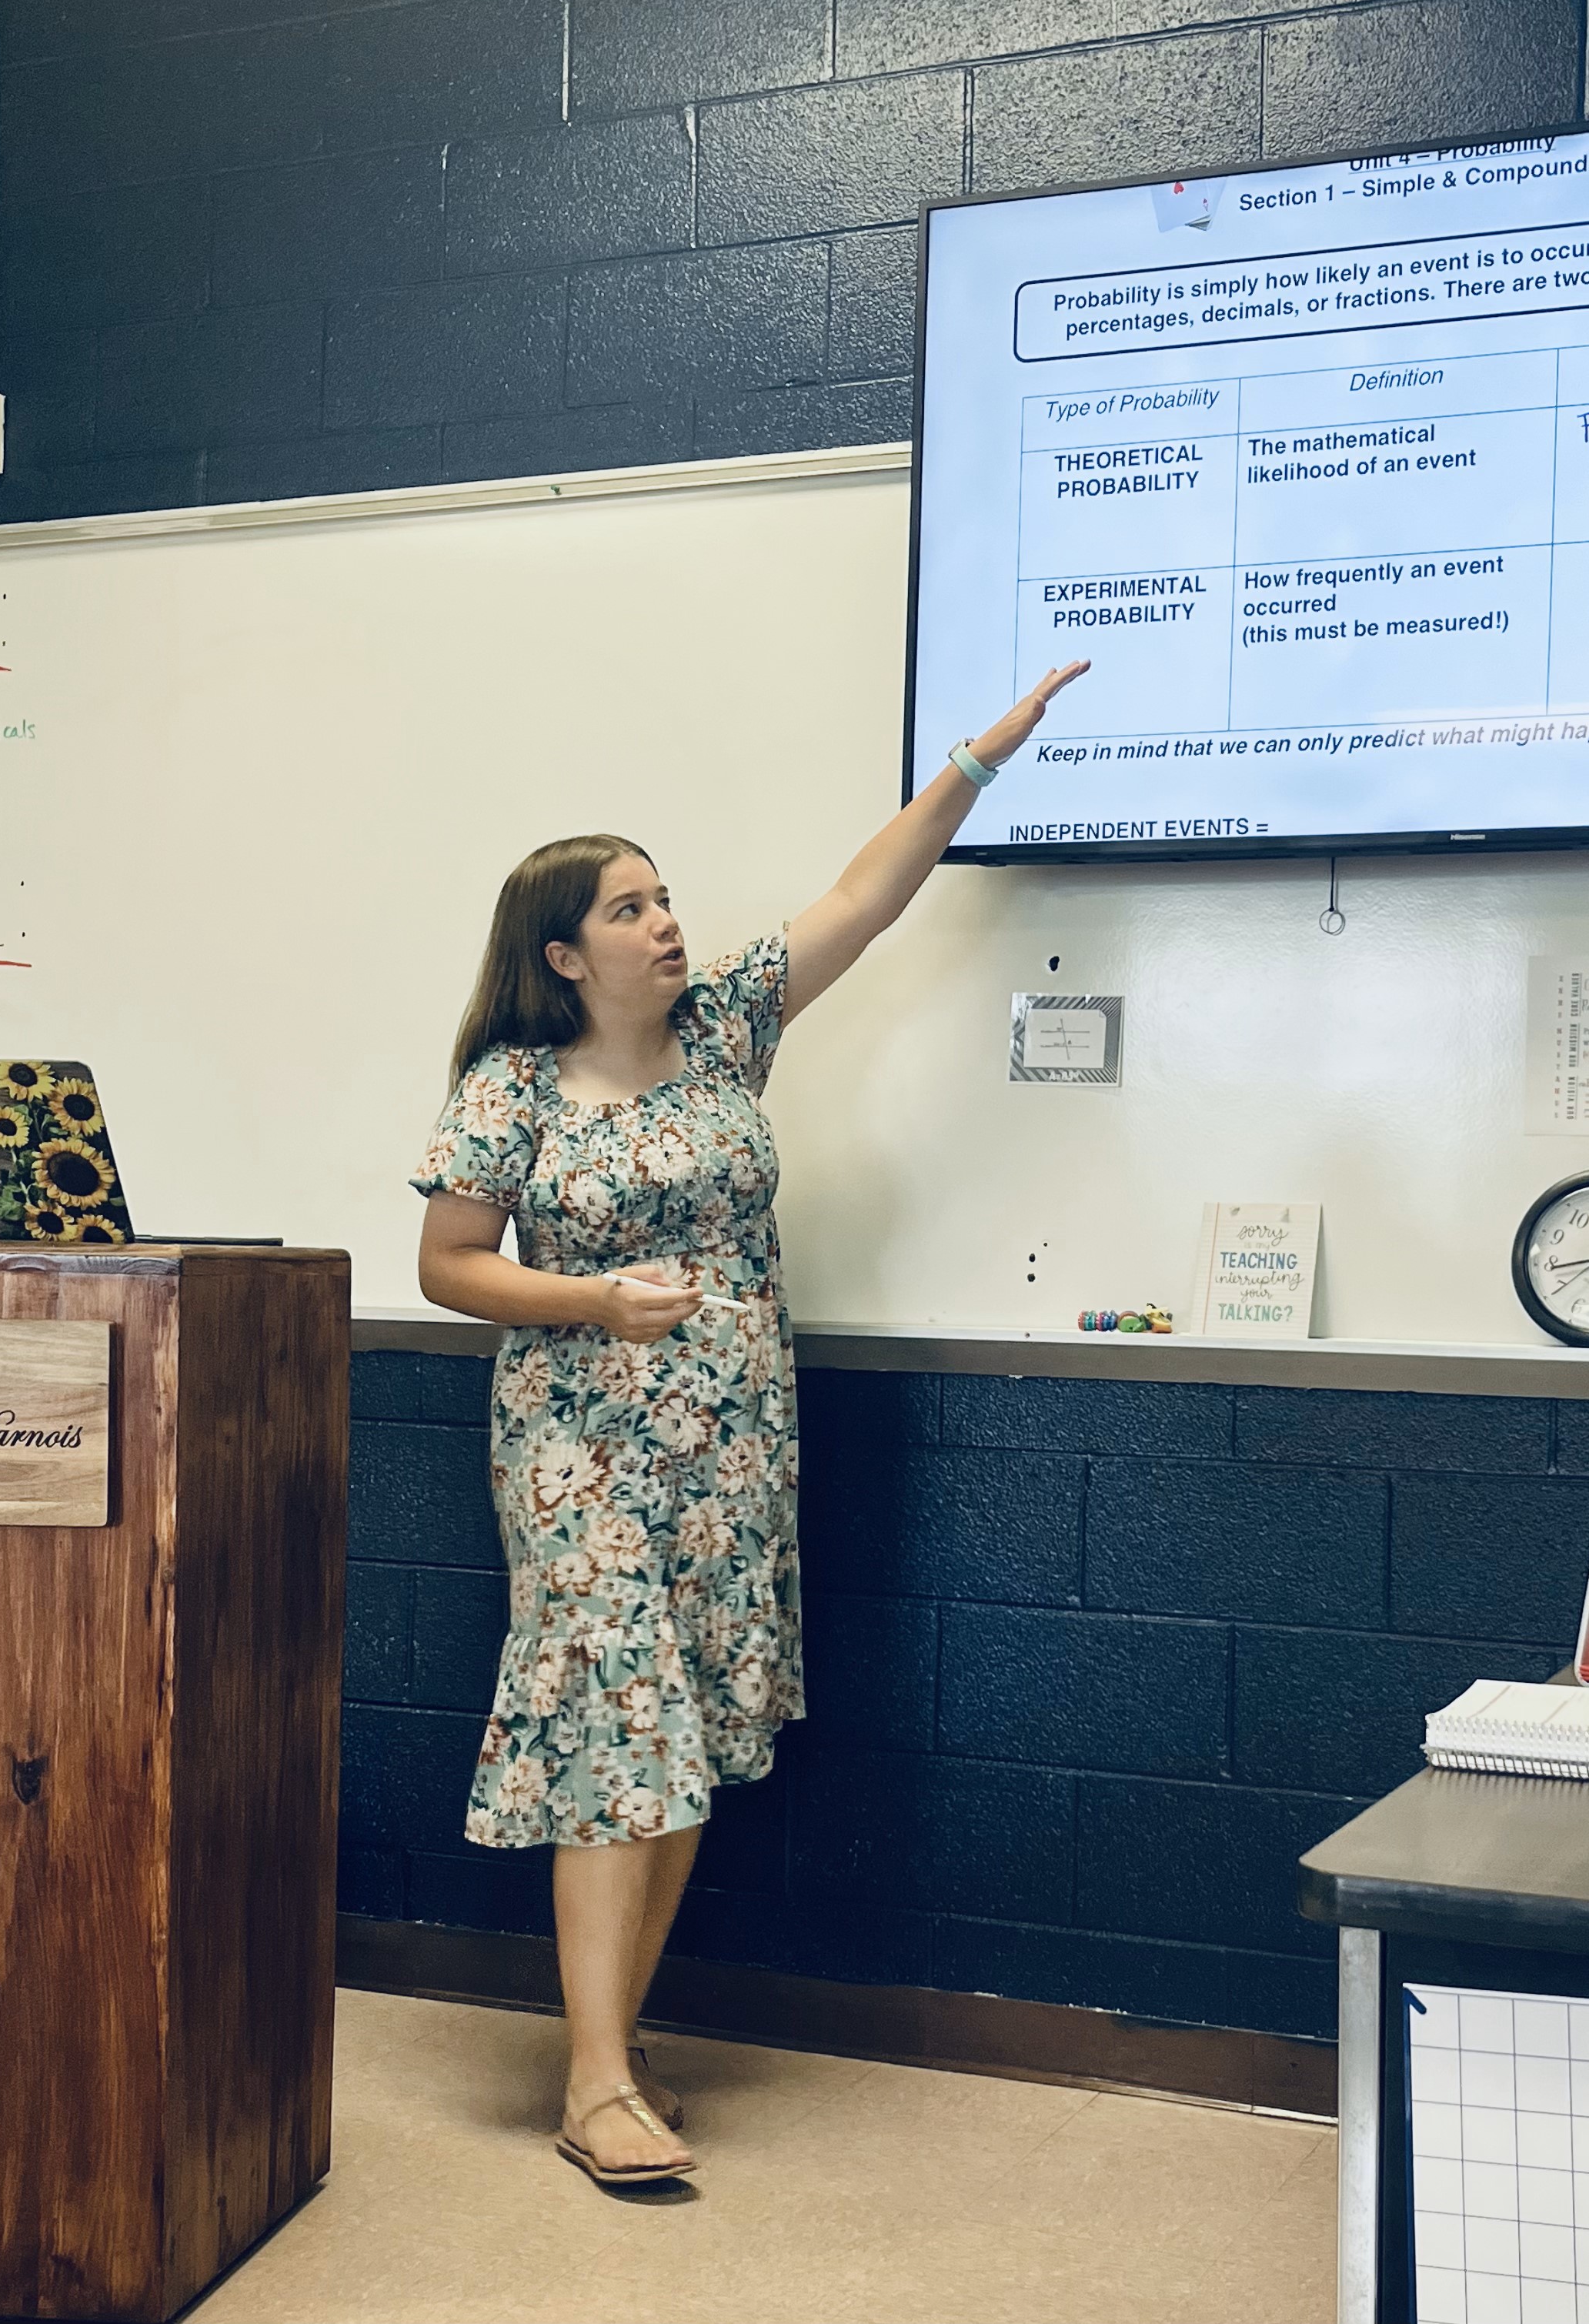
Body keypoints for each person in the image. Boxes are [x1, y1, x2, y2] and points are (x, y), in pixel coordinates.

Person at [411, 663, 1086, 2187]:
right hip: (574, 1442)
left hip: (728, 1444)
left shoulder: (723, 1032)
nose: (667, 920)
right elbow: (445, 1264)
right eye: (633, 904)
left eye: (667, 896)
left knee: (693, 1726)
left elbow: (867, 892)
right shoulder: (510, 1083)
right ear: (564, 950)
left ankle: (616, 2039)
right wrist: (590, 1301)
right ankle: (591, 2079)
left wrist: (976, 760)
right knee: (616, 1719)